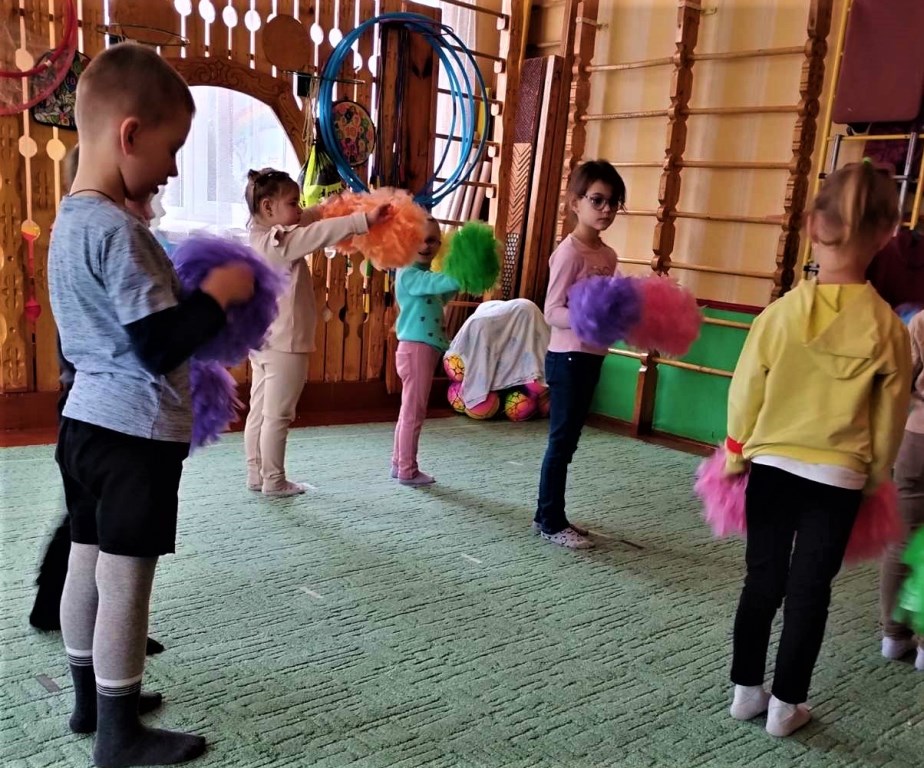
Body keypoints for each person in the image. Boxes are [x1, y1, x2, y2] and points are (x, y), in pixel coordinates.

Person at [50, 42, 254, 766]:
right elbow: (157, 344)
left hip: (82, 426)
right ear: (130, 134)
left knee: (85, 560)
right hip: (134, 435)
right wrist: (216, 297)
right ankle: (120, 736)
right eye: (171, 151)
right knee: (125, 582)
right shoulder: (122, 232)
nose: (171, 170)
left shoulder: (70, 222)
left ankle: (90, 703)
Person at [724, 162, 911, 737]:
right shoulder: (890, 329)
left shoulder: (778, 316)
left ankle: (745, 692)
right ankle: (786, 706)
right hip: (839, 479)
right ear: (886, 235)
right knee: (810, 590)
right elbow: (890, 419)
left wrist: (735, 454)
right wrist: (875, 476)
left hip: (771, 467)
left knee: (761, 579)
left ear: (811, 226)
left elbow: (745, 392)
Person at [30, 145, 164, 657]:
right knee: (99, 534)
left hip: (86, 402)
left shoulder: (78, 230)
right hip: (107, 407)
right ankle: (92, 630)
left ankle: (95, 634)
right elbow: (146, 339)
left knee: (89, 526)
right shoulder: (109, 235)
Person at [242, 169, 388, 496]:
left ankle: (256, 474)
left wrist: (322, 208)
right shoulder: (281, 244)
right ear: (268, 207)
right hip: (286, 344)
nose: (299, 208)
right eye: (293, 203)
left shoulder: (259, 236)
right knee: (278, 416)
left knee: (260, 411)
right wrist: (364, 220)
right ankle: (274, 481)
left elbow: (304, 221)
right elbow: (318, 234)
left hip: (264, 341)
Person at [534, 160, 625, 549]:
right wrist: (587, 318)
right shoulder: (569, 253)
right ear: (575, 202)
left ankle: (547, 514)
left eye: (613, 202)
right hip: (567, 357)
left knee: (568, 442)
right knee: (561, 442)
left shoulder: (608, 255)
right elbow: (551, 311)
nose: (606, 209)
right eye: (597, 200)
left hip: (591, 356)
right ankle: (551, 522)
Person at [391, 217, 459, 485]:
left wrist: (457, 279)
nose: (425, 245)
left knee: (408, 411)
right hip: (416, 350)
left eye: (432, 240)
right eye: (418, 239)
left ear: (440, 245)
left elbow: (441, 293)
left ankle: (399, 464)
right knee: (413, 413)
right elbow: (434, 284)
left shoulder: (423, 274)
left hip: (420, 349)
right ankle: (407, 470)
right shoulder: (408, 273)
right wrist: (460, 274)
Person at [879, 309, 924, 672]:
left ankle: (893, 636)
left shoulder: (921, 320)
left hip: (918, 438)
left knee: (901, 538)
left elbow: (902, 380)